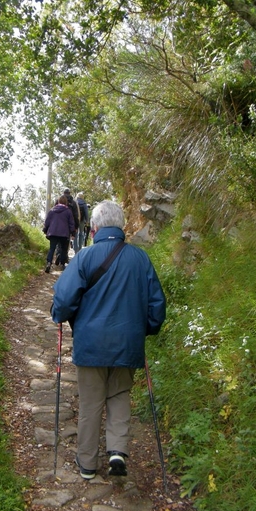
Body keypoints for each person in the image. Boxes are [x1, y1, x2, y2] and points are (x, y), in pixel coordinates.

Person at [51, 200, 166, 480]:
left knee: (90, 404)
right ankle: (117, 451)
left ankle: (88, 464)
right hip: (128, 344)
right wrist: (144, 330)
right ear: (122, 226)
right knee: (119, 396)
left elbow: (64, 301)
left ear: (94, 229)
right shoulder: (141, 259)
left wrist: (58, 314)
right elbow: (157, 306)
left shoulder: (84, 258)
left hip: (90, 346)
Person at [43, 195, 76, 273]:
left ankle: (48, 263)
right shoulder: (68, 211)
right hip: (64, 233)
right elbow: (71, 223)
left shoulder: (52, 210)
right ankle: (62, 263)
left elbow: (47, 222)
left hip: (53, 232)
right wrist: (73, 233)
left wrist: (45, 230)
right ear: (66, 203)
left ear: (58, 201)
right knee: (63, 249)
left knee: (52, 248)